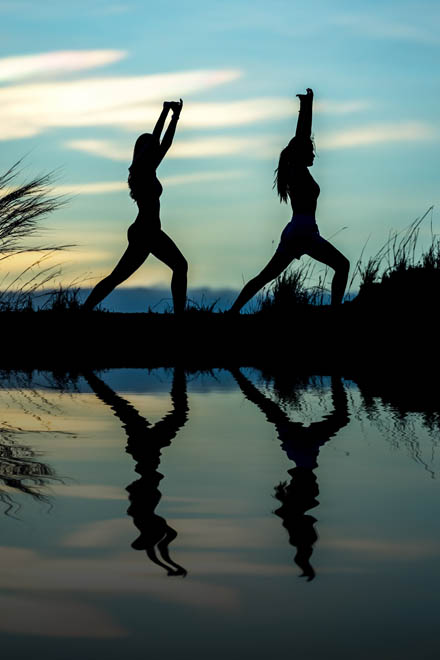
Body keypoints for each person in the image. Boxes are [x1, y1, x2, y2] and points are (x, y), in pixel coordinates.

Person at [229, 88, 349, 313]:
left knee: (265, 277)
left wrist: (306, 105)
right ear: (301, 153)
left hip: (298, 231)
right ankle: (336, 312)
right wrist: (307, 106)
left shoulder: (299, 170)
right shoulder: (297, 170)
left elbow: (302, 137)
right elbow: (302, 135)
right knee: (342, 265)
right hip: (302, 232)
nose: (314, 154)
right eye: (311, 151)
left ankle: (232, 312)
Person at [83, 100, 188, 313]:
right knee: (177, 266)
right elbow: (159, 140)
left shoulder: (149, 169)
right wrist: (167, 113)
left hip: (148, 231)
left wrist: (173, 115)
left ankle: (83, 309)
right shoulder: (142, 171)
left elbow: (163, 142)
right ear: (142, 151)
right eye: (149, 146)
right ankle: (83, 310)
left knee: (119, 277)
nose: (154, 148)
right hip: (146, 232)